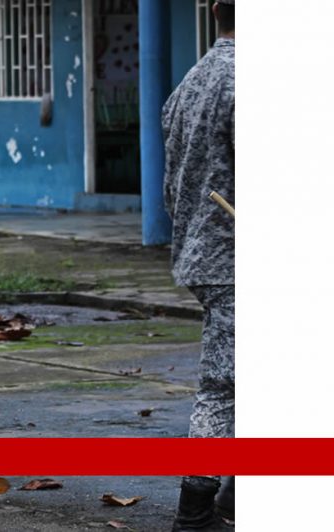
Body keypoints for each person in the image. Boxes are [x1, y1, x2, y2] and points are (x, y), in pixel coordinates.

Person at [161, 1, 235, 530]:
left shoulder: (192, 80)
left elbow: (172, 182)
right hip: (240, 259)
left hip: (204, 254)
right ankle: (196, 509)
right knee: (225, 386)